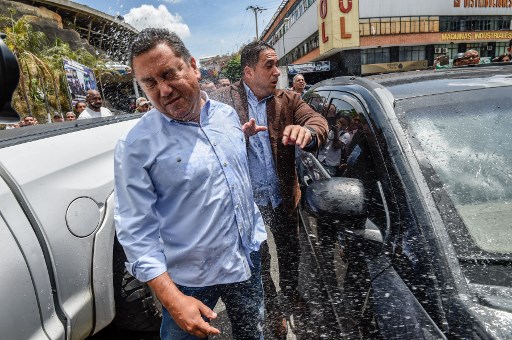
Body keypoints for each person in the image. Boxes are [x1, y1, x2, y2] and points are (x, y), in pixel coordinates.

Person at [114, 28, 267, 340]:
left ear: (193, 66)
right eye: (150, 83)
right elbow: (135, 231)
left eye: (170, 74)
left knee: (253, 333)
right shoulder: (136, 145)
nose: (164, 90)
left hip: (246, 258)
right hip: (189, 279)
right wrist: (174, 300)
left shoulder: (225, 117)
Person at [210, 40, 328, 338]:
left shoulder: (288, 100)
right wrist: (239, 137)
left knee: (290, 254)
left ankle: (289, 295)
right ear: (248, 72)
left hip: (283, 198)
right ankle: (273, 306)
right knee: (259, 261)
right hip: (247, 205)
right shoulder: (222, 102)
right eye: (269, 65)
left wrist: (309, 131)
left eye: (277, 65)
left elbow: (317, 121)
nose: (277, 71)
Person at [318, 112, 351, 177]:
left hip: (330, 165)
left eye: (343, 125)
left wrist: (337, 132)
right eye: (340, 122)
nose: (340, 125)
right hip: (320, 159)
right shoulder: (329, 129)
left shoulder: (346, 135)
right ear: (336, 120)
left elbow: (336, 146)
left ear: (346, 127)